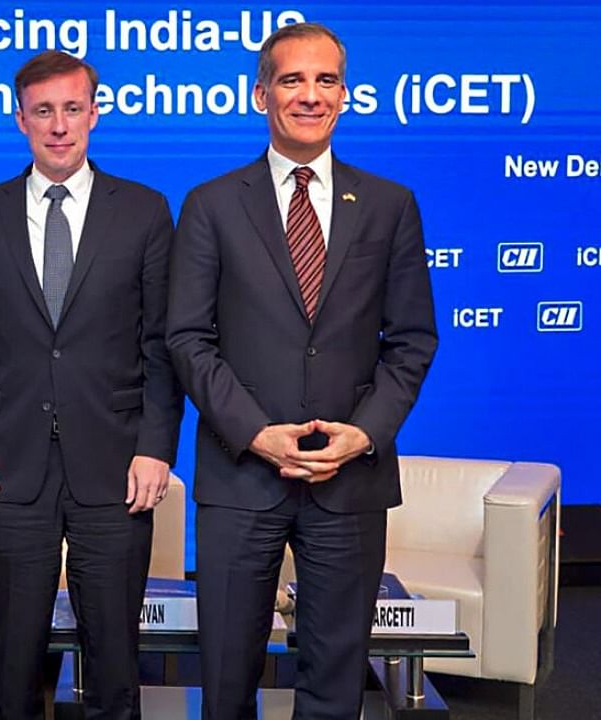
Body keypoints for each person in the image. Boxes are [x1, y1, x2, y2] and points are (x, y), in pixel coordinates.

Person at [166, 23, 439, 719]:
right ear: (261, 93)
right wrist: (256, 434)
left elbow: (412, 340)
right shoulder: (211, 204)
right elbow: (189, 338)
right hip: (240, 476)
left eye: (325, 81)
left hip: (350, 478)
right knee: (227, 676)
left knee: (336, 677)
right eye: (292, 80)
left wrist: (365, 434)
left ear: (345, 95)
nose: (309, 95)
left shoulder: (390, 204)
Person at [0, 51, 182, 719]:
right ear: (20, 119)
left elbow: (161, 345)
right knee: (13, 666)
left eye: (72, 109)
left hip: (116, 465)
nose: (59, 126)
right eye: (43, 111)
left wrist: (156, 446)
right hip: (8, 465)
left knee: (114, 663)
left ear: (94, 115)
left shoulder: (142, 211)